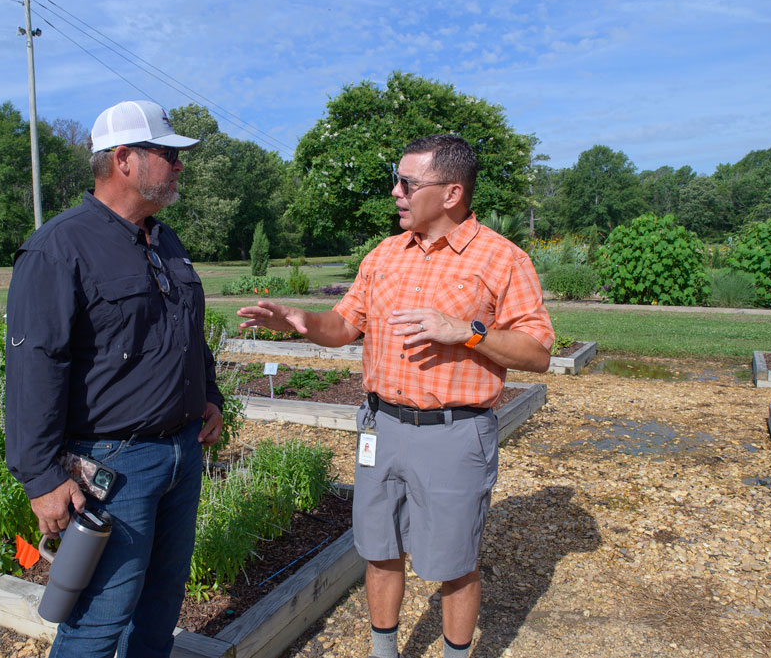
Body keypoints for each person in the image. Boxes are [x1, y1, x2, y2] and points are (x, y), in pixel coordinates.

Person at [237, 135, 553, 658]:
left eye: (408, 183)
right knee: (379, 549)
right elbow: (343, 325)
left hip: (455, 434)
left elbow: (537, 352)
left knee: (455, 562)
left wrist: (467, 331)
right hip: (380, 428)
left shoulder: (503, 260)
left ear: (451, 194)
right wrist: (300, 321)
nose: (395, 192)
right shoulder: (384, 255)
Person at [5, 100, 224, 658]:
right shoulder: (60, 247)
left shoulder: (165, 240)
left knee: (159, 606)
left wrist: (210, 397)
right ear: (124, 159)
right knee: (100, 621)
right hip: (114, 464)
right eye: (168, 155)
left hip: (179, 454)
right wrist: (41, 477)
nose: (179, 166)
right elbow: (35, 365)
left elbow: (187, 335)